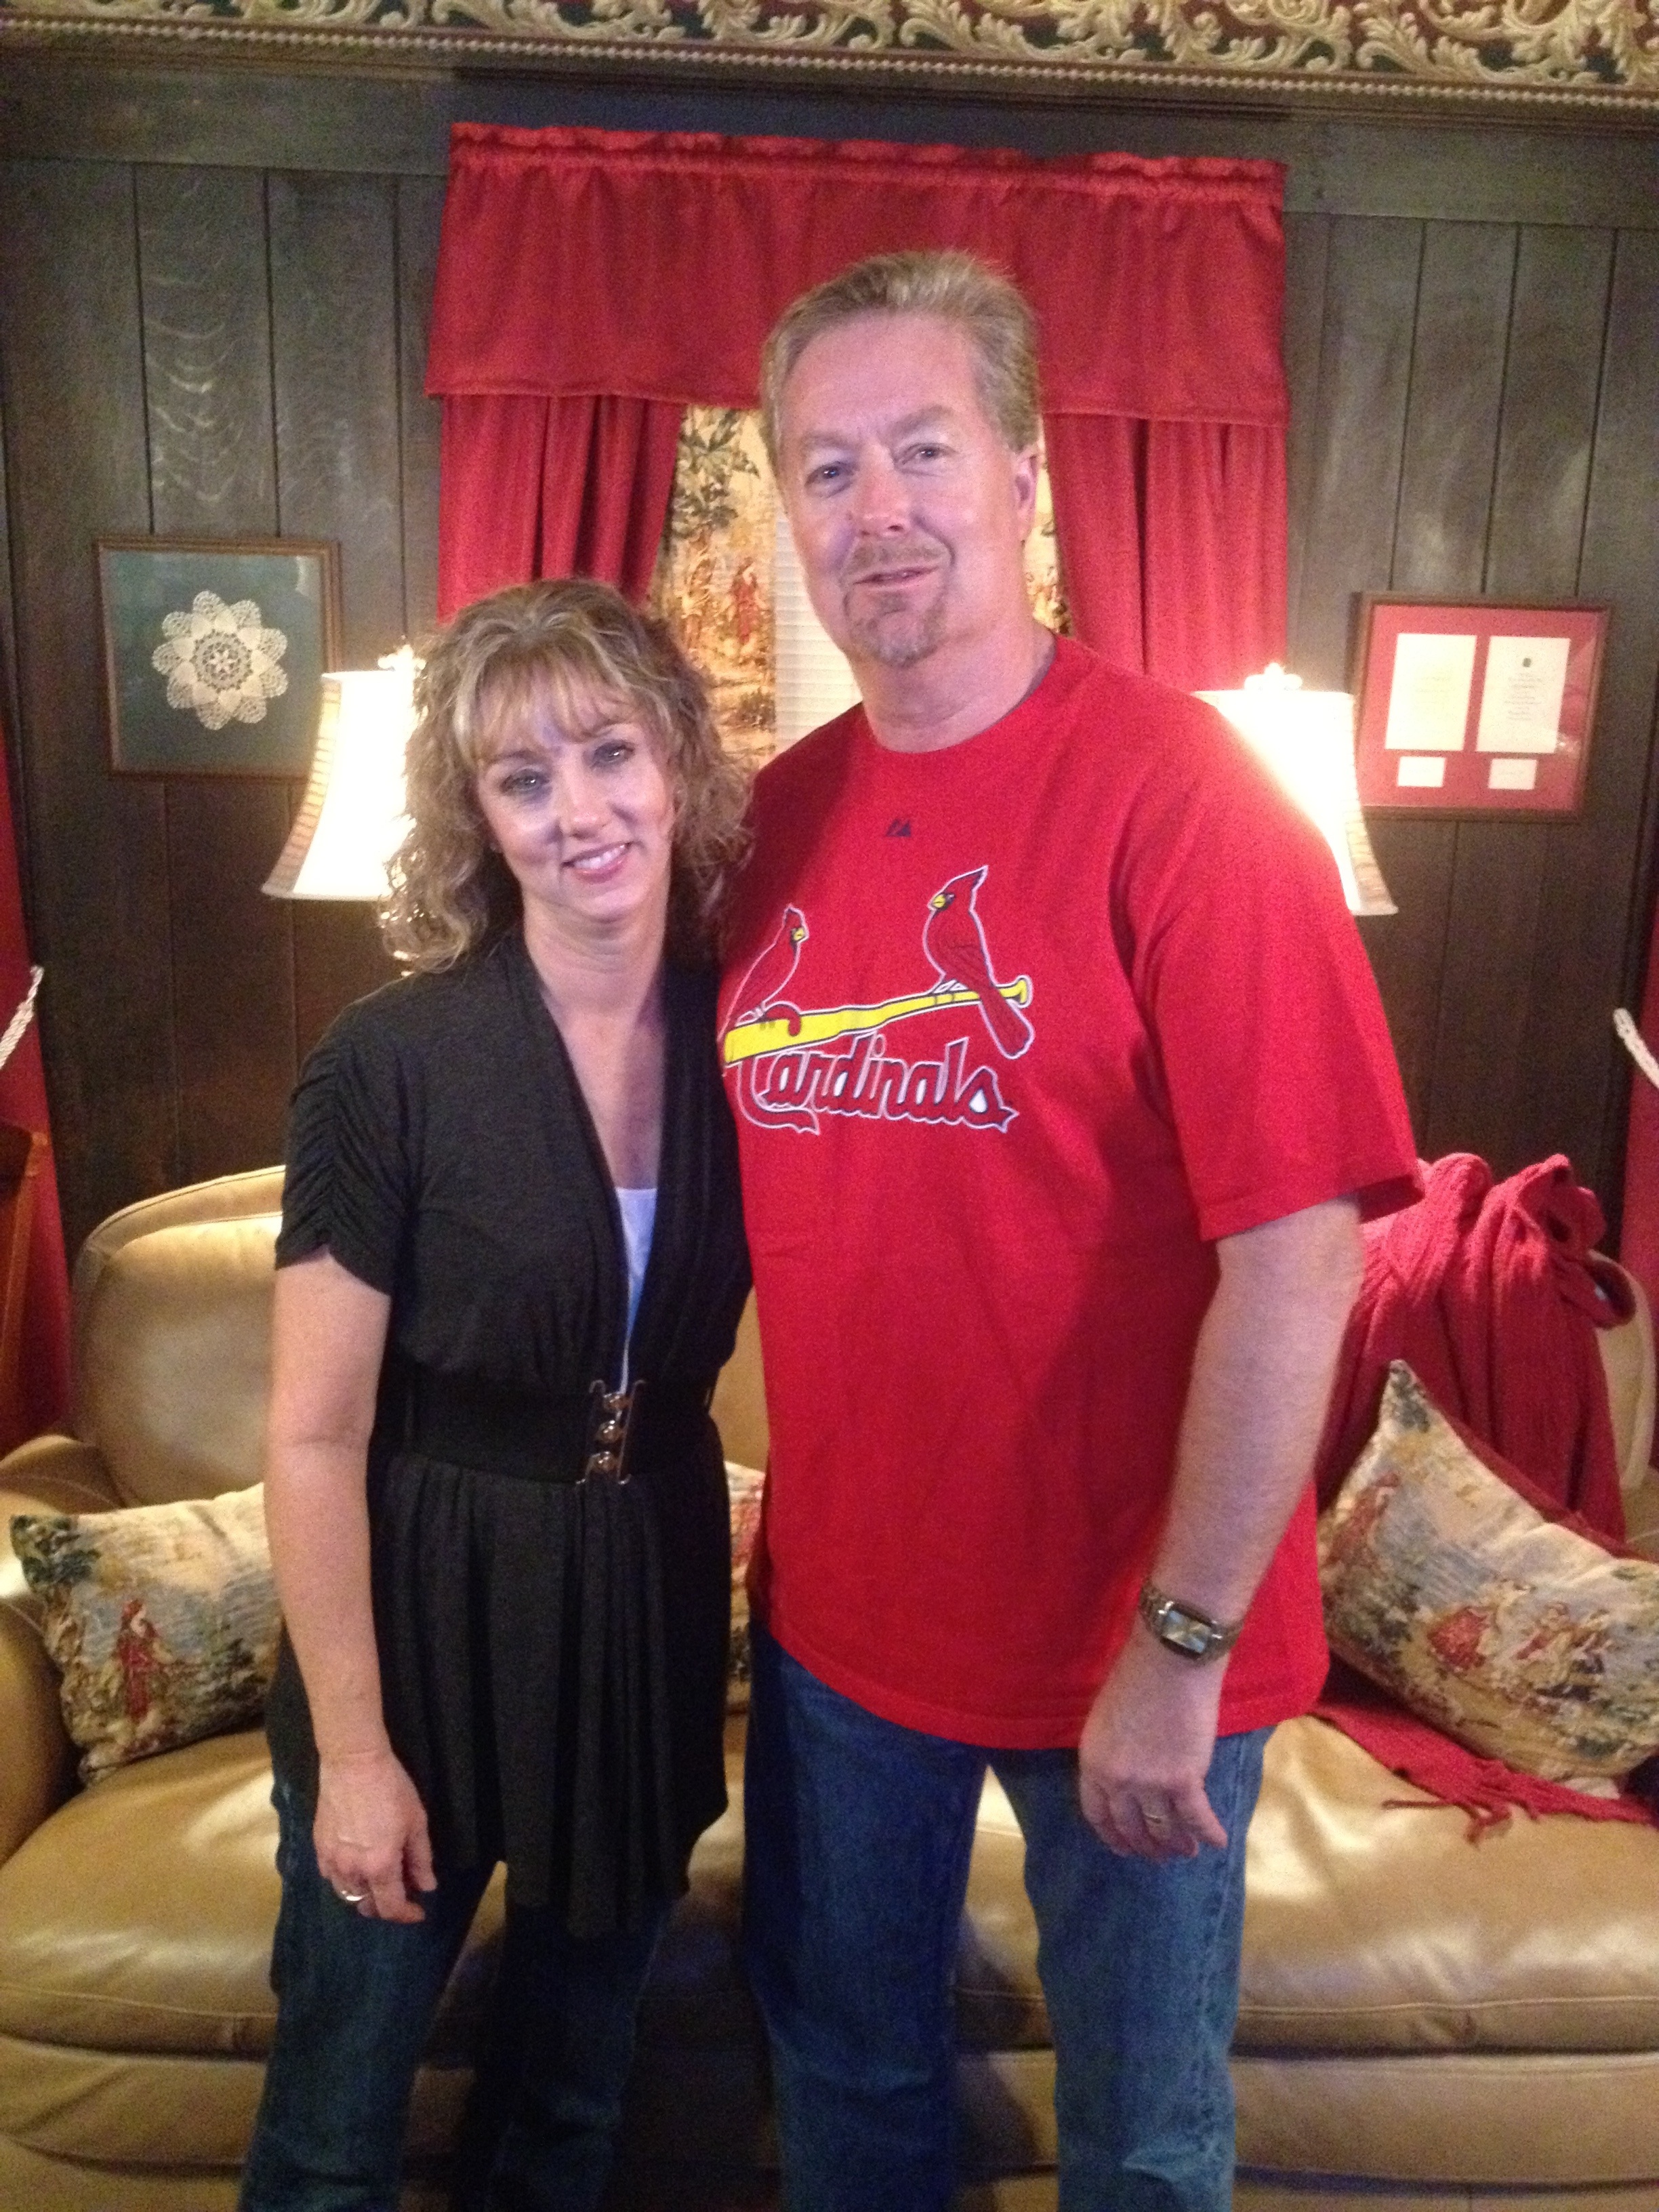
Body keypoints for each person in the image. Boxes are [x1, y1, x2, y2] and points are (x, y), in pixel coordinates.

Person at [718, 249, 1422, 2212]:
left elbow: (1302, 1260)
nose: (877, 508)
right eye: (828, 467)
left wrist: (1181, 1648)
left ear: (1025, 473)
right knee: (848, 2098)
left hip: (1138, 1636)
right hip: (847, 1636)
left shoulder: (1191, 803)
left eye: (923, 449)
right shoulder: (764, 827)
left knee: (1144, 2145)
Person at [239, 578, 752, 2212]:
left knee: (570, 2112)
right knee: (334, 2131)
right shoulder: (390, 1060)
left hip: (643, 1605)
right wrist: (355, 1755)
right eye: (523, 779)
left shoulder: (757, 1038)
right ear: (476, 815)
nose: (578, 811)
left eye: (609, 754)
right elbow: (313, 1432)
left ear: (675, 761)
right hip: (425, 1613)